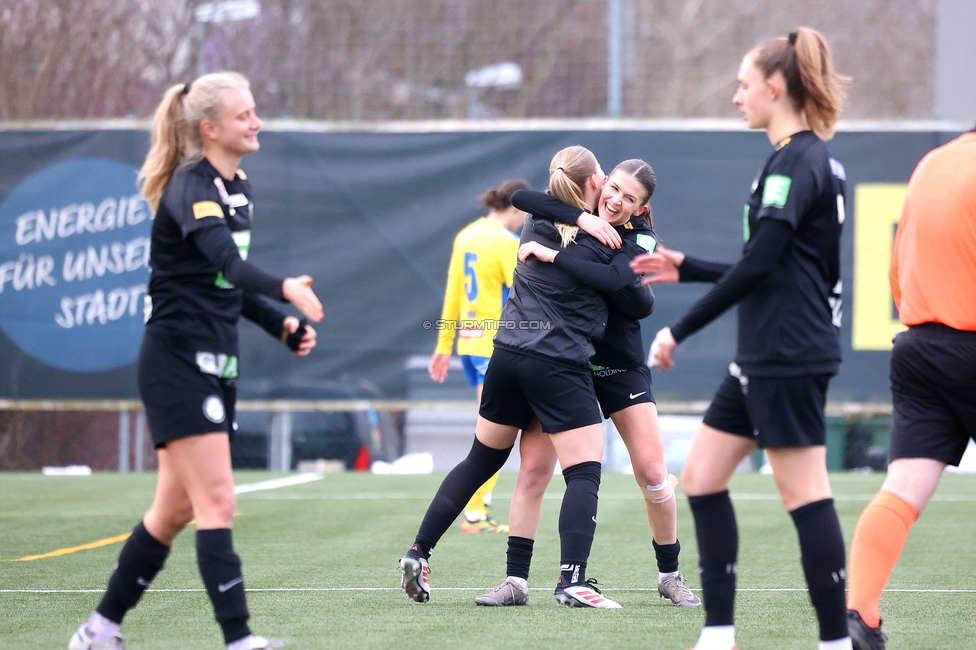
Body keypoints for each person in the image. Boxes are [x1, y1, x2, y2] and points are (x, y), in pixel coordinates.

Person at [69, 72, 323, 650]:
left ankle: (97, 631)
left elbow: (219, 286)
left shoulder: (241, 186)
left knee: (171, 513)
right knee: (218, 501)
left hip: (216, 362)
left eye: (255, 111)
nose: (255, 122)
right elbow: (228, 265)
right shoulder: (191, 185)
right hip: (177, 361)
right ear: (209, 129)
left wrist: (277, 323)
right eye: (243, 116)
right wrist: (286, 289)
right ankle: (239, 640)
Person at [631, 27, 852, 650]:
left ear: (774, 88)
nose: (736, 97)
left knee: (804, 491)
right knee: (700, 478)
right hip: (765, 353)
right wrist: (689, 266)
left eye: (743, 84)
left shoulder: (798, 160)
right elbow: (770, 264)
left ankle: (835, 640)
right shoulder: (796, 159)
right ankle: (720, 633)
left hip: (789, 352)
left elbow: (762, 267)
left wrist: (678, 326)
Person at [400, 145, 628, 609]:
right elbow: (635, 299)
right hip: (558, 362)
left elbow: (526, 196)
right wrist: (592, 226)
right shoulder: (600, 238)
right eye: (603, 176)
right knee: (584, 470)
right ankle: (572, 580)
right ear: (589, 184)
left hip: (506, 355)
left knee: (492, 463)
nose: (608, 185)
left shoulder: (537, 221)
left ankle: (426, 553)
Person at [475, 160, 700, 608]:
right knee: (534, 472)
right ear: (601, 183)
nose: (616, 200)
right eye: (613, 188)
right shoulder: (575, 213)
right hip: (565, 364)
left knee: (654, 475)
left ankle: (670, 574)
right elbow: (522, 199)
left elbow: (620, 283)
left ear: (641, 207)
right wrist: (580, 218)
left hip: (617, 368)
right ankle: (515, 581)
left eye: (629, 198)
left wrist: (555, 254)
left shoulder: (639, 239)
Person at [844, 125, 976, 650]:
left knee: (902, 491)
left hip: (921, 347)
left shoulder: (933, 163)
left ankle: (861, 615)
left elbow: (897, 271)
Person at [429, 179, 530, 534]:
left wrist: (443, 347)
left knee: (492, 428)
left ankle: (475, 510)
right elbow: (524, 291)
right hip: (496, 344)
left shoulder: (467, 235)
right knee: (496, 433)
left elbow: (453, 295)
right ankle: (474, 513)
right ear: (516, 208)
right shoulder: (504, 241)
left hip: (470, 346)